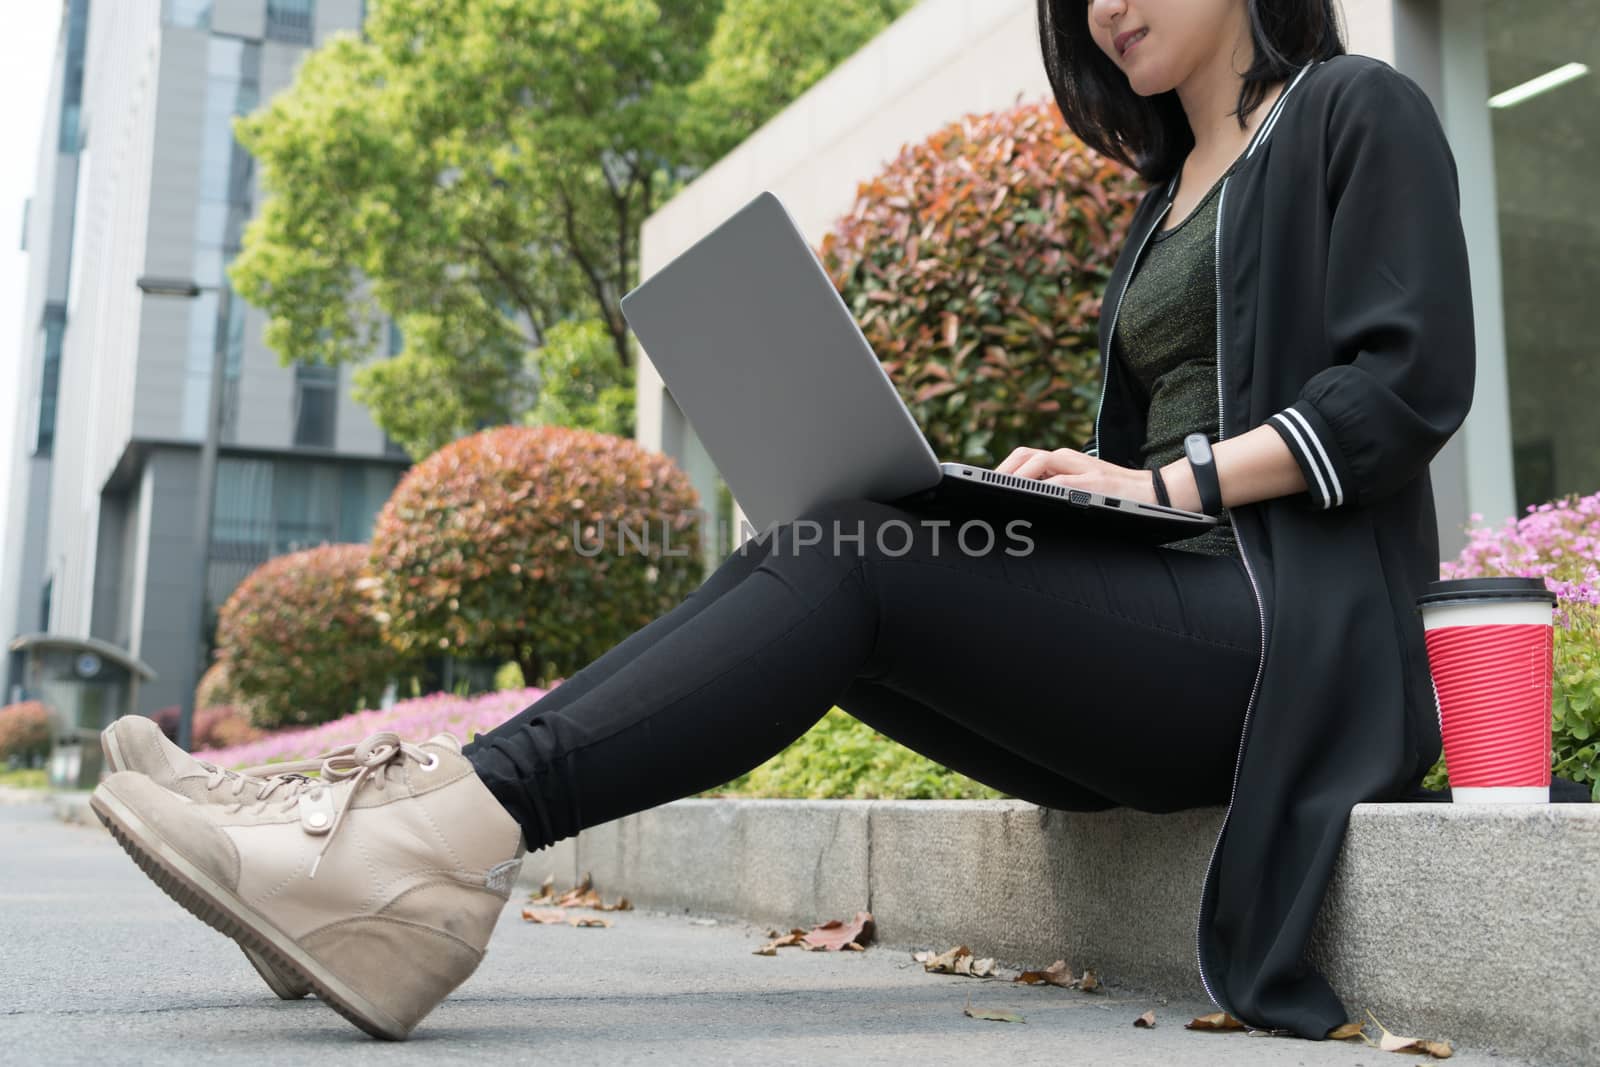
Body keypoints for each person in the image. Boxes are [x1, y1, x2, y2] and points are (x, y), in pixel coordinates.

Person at [92, 0, 1558, 1044]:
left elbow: (1406, 383)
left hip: (1287, 640)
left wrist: (1162, 487)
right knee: (835, 551)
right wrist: (1066, 496)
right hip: (1175, 607)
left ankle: (404, 860)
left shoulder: (1356, 110)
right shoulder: (1163, 194)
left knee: (857, 556)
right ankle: (389, 838)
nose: (1103, 9)